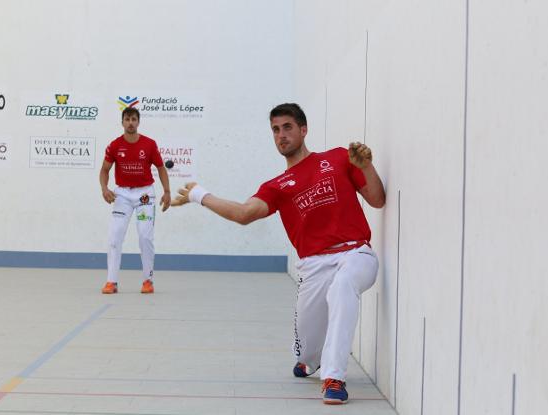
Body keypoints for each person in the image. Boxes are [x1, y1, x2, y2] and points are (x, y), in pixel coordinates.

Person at [171, 103, 386, 404]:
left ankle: (334, 378)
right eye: (275, 129)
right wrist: (199, 195)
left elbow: (377, 199)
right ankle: (309, 360)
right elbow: (244, 214)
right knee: (307, 349)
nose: (281, 135)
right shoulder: (277, 187)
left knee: (342, 286)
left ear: (303, 129)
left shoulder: (338, 158)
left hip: (356, 255)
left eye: (287, 127)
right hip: (313, 266)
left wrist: (366, 166)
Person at [99, 107, 171, 294]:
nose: (130, 122)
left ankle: (148, 280)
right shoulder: (114, 145)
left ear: (138, 122)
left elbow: (161, 168)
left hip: (145, 195)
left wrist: (167, 191)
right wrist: (104, 189)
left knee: (145, 237)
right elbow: (104, 170)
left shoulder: (149, 144)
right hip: (122, 195)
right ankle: (111, 282)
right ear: (122, 122)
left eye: (133, 119)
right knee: (114, 237)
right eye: (127, 119)